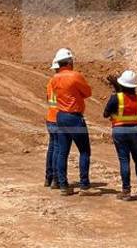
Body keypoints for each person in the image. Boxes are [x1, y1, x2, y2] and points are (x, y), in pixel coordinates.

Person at [103, 70, 137, 200]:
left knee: (124, 160)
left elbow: (105, 114)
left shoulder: (116, 98)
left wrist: (113, 115)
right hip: (136, 132)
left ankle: (126, 191)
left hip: (120, 132)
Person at [51, 48, 96, 196]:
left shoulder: (54, 78)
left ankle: (63, 186)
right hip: (74, 117)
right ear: (69, 62)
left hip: (60, 116)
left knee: (63, 152)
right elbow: (87, 93)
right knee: (84, 151)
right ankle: (84, 186)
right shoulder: (75, 76)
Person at [44, 59, 60, 188]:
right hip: (59, 119)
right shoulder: (62, 82)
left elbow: (48, 99)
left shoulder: (50, 83)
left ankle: (48, 178)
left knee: (51, 148)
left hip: (50, 117)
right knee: (58, 150)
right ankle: (56, 179)